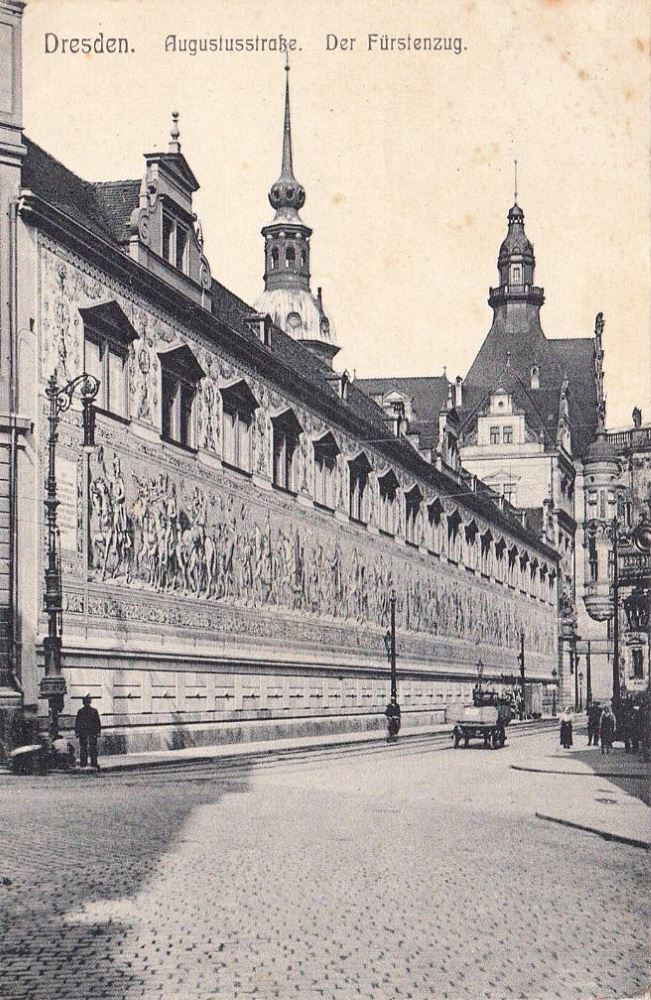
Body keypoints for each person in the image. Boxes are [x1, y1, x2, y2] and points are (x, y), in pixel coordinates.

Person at [75, 694, 102, 769]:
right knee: (93, 748)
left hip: (83, 733)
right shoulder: (94, 711)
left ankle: (83, 763)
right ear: (90, 702)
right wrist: (98, 732)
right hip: (92, 733)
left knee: (83, 748)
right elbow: (97, 723)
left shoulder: (80, 711)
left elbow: (77, 723)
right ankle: (94, 763)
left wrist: (77, 732)